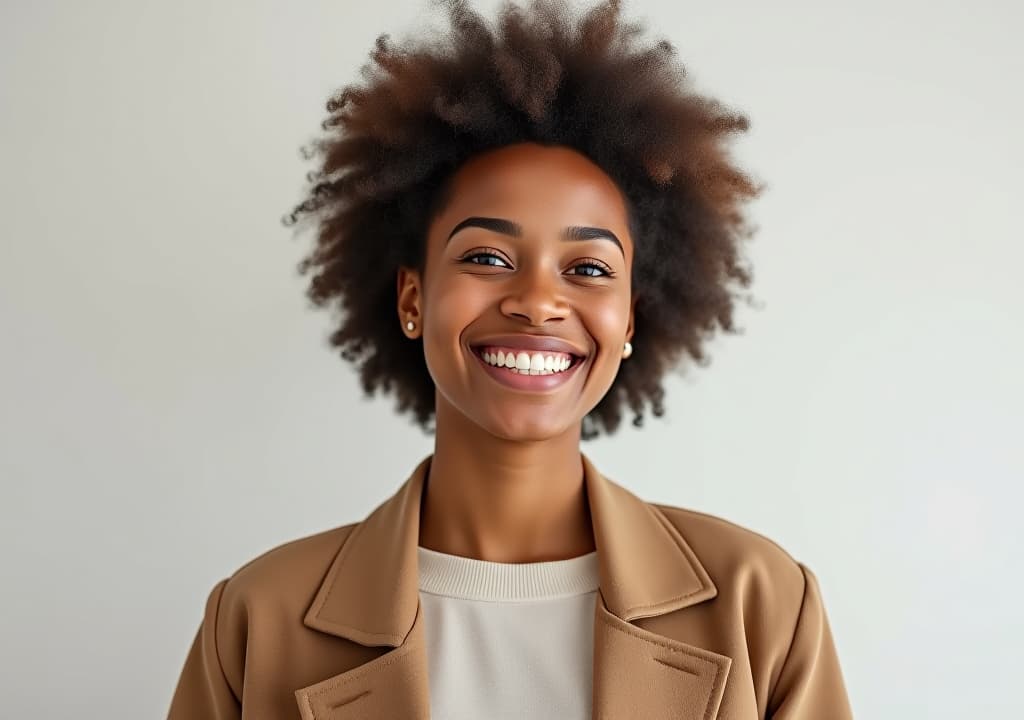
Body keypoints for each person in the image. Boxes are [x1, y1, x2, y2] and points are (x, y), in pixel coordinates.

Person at [167, 0, 853, 717]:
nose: (537, 300)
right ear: (412, 296)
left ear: (630, 322)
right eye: (487, 256)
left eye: (587, 269)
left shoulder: (763, 603)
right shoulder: (259, 617)